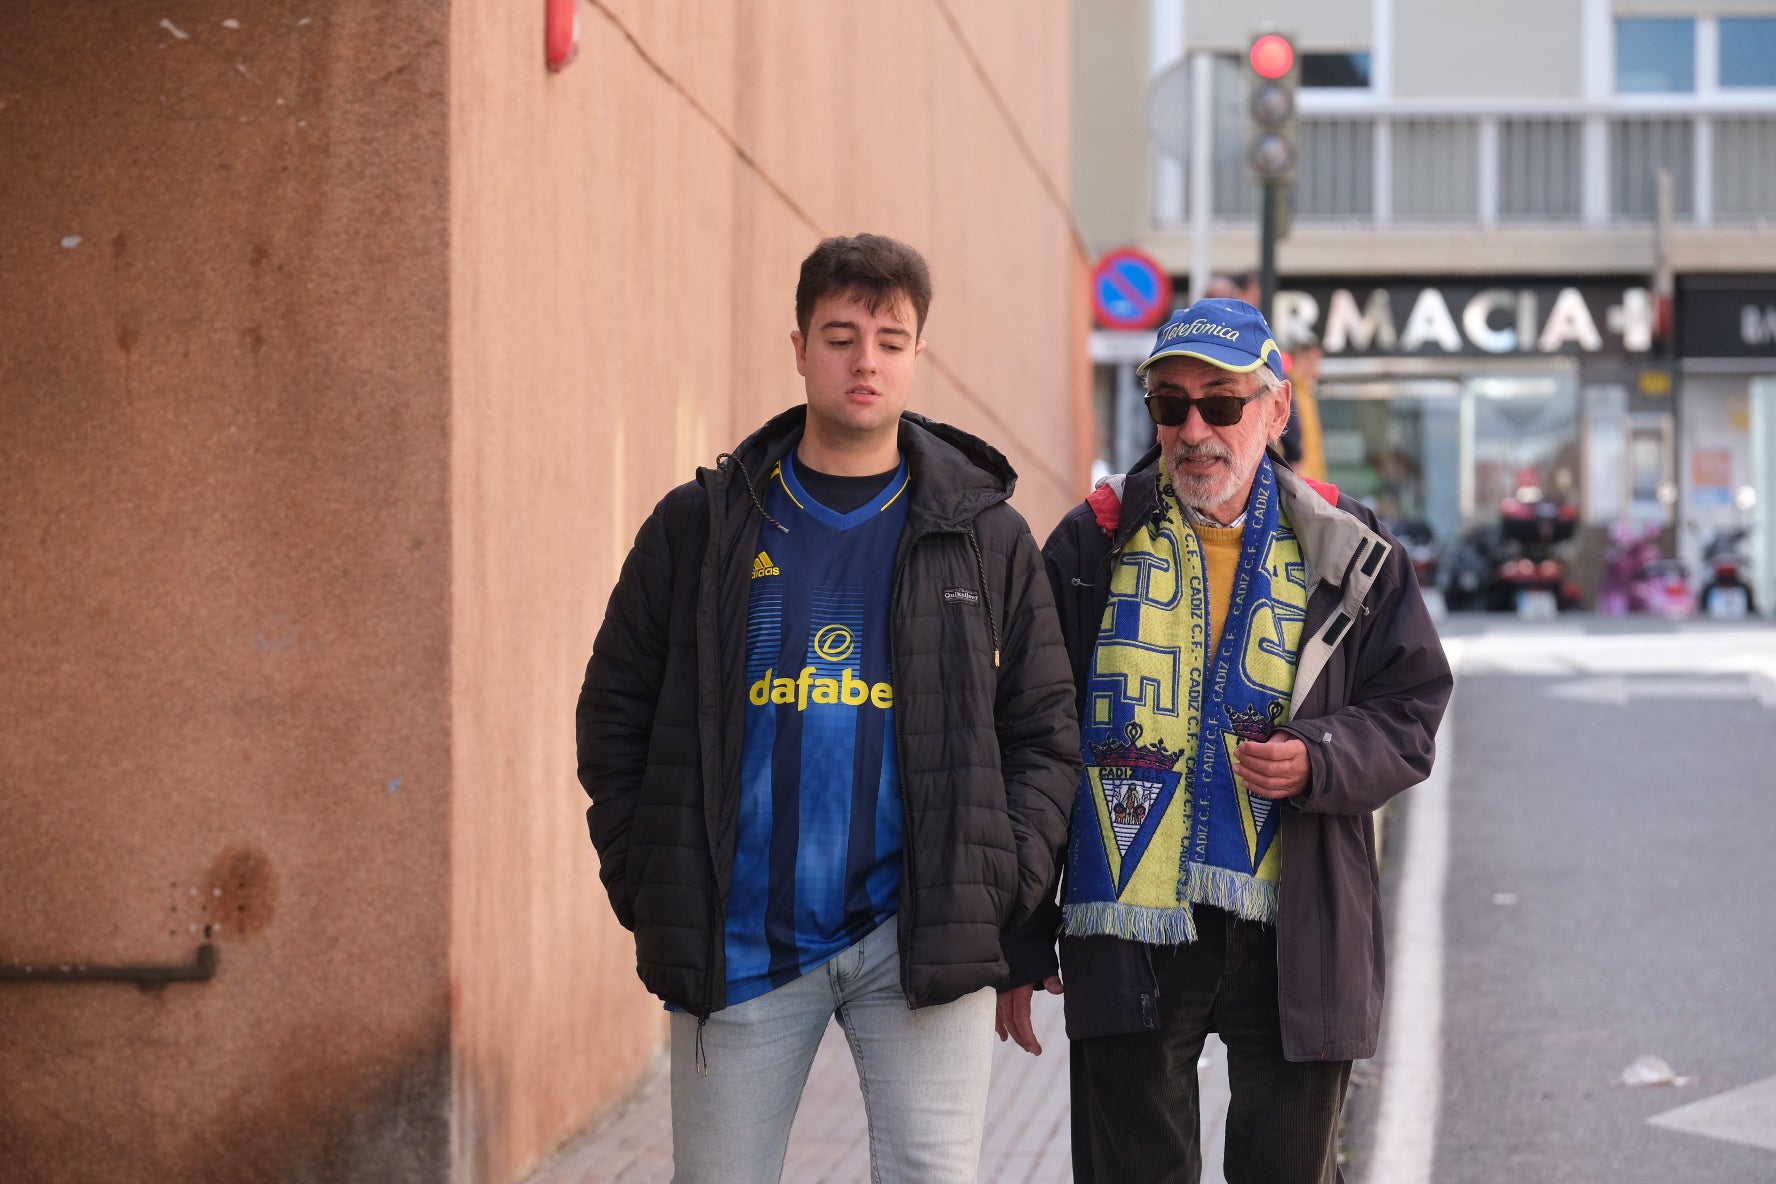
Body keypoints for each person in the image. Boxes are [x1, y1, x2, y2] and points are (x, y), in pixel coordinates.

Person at [577, 233, 1080, 1184]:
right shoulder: (704, 525)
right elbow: (615, 712)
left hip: (922, 932)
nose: (866, 360)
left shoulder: (985, 536)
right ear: (799, 346)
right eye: (841, 335)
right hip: (743, 935)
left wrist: (1002, 879)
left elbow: (1045, 726)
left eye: (890, 340)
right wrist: (649, 874)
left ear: (917, 357)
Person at [997, 298, 1452, 1183]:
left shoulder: (1347, 543)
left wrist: (1322, 758)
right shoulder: (1090, 543)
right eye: (1171, 405)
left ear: (1276, 411)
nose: (1195, 429)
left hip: (1299, 922)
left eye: (1222, 402)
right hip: (1127, 924)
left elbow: (1411, 707)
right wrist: (1018, 937)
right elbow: (1028, 740)